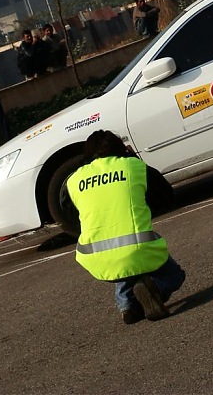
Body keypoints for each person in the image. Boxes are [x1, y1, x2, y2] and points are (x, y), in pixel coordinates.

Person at [66, 130, 185, 324]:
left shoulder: (72, 181)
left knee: (122, 258)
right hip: (139, 249)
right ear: (120, 148)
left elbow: (70, 214)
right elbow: (166, 197)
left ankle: (127, 304)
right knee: (174, 275)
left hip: (94, 258)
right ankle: (154, 287)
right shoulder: (133, 166)